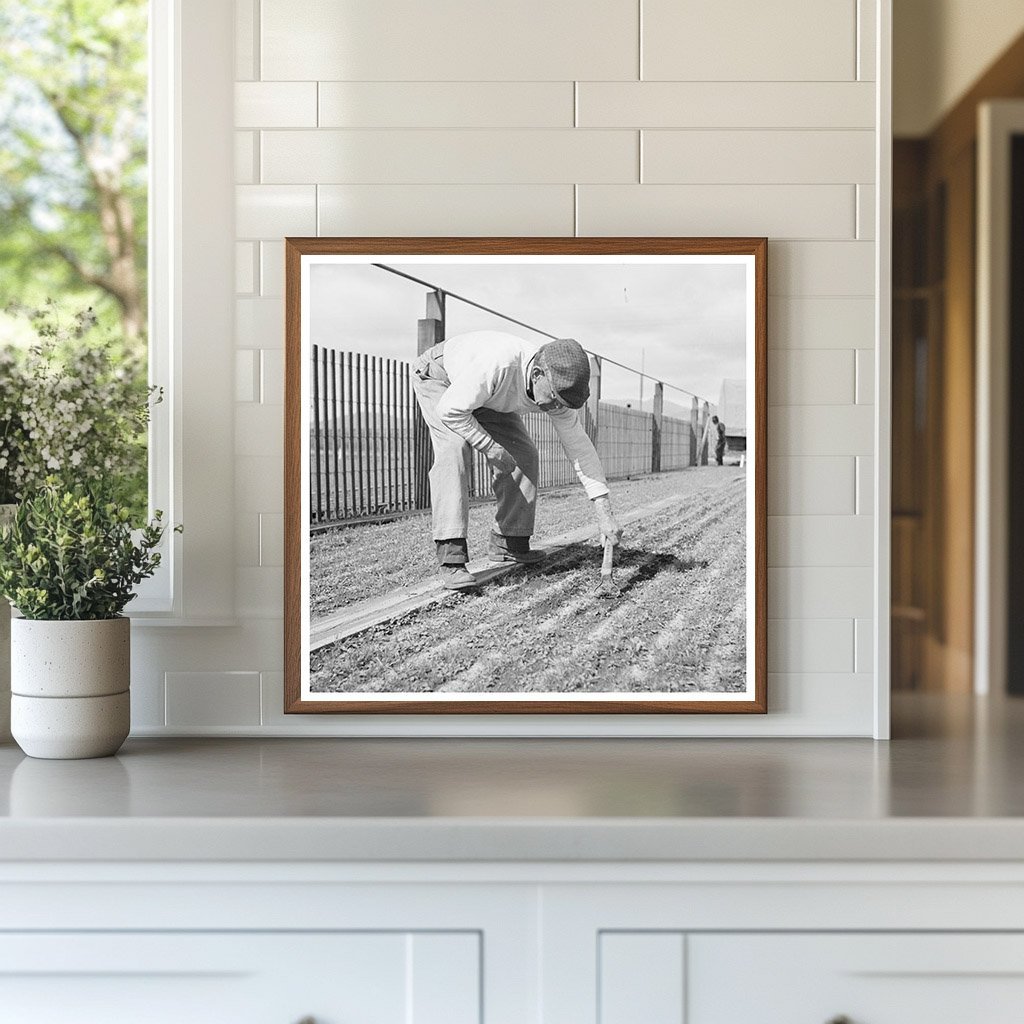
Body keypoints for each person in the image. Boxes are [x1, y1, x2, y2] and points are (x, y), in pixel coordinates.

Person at [411, 330, 622, 591]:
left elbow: (580, 448)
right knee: (454, 450)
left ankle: (508, 542)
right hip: (440, 376)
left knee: (523, 454)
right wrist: (489, 446)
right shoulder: (498, 365)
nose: (557, 408)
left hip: (484, 393)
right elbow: (450, 411)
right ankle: (451, 558)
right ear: (537, 375)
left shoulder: (556, 390)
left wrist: (605, 514)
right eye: (555, 398)